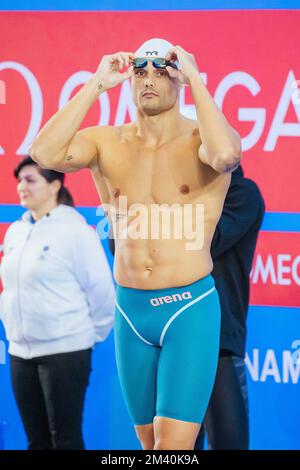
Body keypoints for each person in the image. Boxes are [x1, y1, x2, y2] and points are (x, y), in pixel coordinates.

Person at [29, 38, 242, 450]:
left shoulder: (201, 139)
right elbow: (44, 152)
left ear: (177, 80)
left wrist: (195, 77)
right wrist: (96, 83)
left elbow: (227, 156)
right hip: (131, 310)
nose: (149, 80)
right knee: (150, 449)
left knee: (172, 450)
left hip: (188, 308)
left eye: (161, 71)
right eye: (141, 72)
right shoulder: (107, 142)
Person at [0, 156, 115, 450]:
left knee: (65, 439)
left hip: (65, 351)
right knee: (36, 440)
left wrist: (87, 338)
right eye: (19, 180)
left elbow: (102, 292)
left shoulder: (75, 232)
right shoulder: (16, 231)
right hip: (20, 352)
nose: (21, 187)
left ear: (54, 185)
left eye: (31, 180)